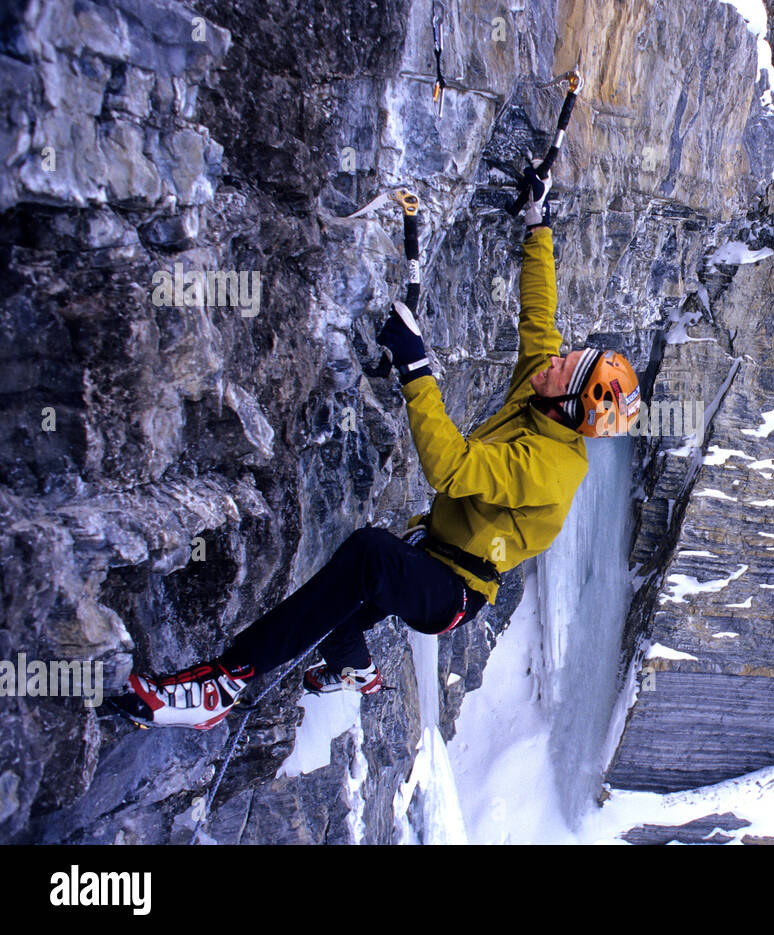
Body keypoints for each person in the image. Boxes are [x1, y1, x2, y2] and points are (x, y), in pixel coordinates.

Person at [114, 166, 642, 729]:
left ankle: (222, 684)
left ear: (570, 406)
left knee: (368, 556)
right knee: (340, 601)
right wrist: (538, 221)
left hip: (451, 592)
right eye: (566, 356)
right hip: (431, 549)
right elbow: (540, 314)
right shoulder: (542, 391)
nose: (555, 359)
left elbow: (452, 468)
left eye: (565, 367)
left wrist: (417, 369)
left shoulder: (551, 471)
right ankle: (353, 670)